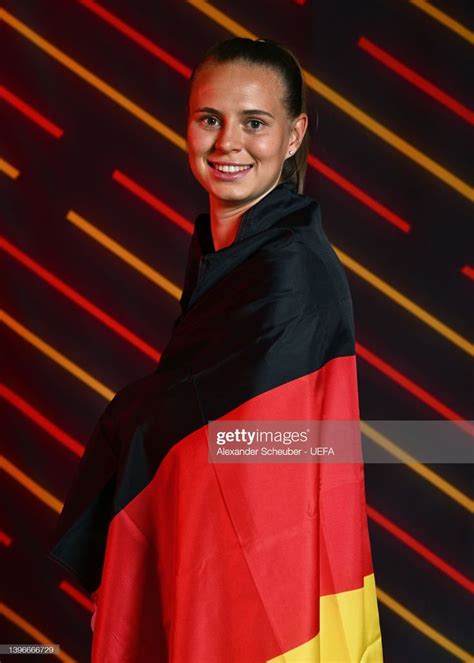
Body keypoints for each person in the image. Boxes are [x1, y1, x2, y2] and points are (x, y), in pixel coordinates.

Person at [48, 37, 383, 662]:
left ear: (293, 135)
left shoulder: (290, 269)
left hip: (260, 586)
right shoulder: (228, 249)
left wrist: (132, 416)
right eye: (210, 119)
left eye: (255, 123)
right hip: (214, 554)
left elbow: (241, 448)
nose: (228, 142)